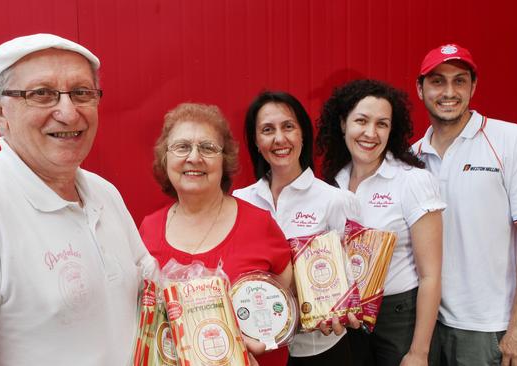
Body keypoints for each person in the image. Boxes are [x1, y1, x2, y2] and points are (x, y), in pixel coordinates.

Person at [0, 34, 155, 365]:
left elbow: (151, 291)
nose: (68, 113)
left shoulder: (103, 193)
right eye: (42, 94)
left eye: (81, 93)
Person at [413, 43, 517, 366]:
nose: (449, 92)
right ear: (420, 89)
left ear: (473, 87)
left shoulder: (509, 140)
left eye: (459, 81)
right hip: (425, 326)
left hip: (488, 329)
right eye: (437, 81)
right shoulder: (411, 158)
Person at [139, 102, 293, 365]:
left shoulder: (259, 225)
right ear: (166, 158)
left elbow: (290, 308)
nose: (194, 157)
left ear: (225, 160)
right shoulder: (147, 229)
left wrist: (267, 342)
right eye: (182, 146)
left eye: (208, 148)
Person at [317, 79, 444, 366]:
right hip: (346, 321)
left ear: (392, 130)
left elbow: (431, 276)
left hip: (400, 319)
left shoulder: (412, 181)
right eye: (361, 120)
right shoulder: (331, 183)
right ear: (342, 124)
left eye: (382, 124)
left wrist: (419, 352)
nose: (370, 133)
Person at [232, 91, 361, 366]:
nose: (280, 139)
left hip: (320, 350)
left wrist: (346, 310)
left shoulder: (335, 200)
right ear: (255, 141)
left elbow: (357, 277)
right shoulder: (240, 201)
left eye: (288, 126)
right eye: (267, 130)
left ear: (303, 134)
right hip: (258, 351)